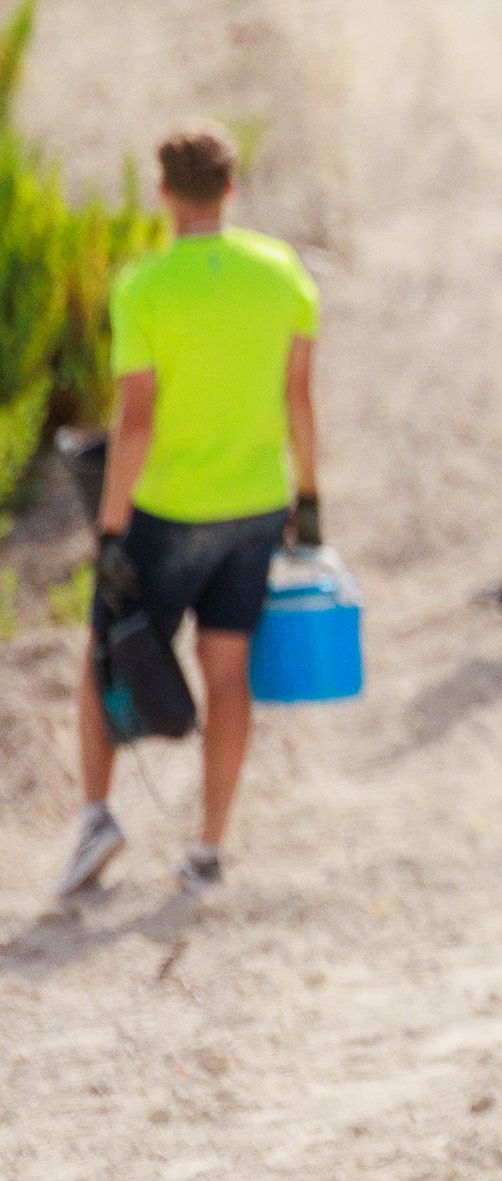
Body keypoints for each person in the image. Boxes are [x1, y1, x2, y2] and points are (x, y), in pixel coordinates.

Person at [58, 125, 322, 900]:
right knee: (227, 669)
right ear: (231, 190)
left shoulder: (143, 285)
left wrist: (109, 528)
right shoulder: (284, 275)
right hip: (256, 504)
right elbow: (298, 398)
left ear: (165, 194)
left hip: (169, 510)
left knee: (106, 652)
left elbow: (135, 419)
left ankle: (99, 814)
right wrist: (310, 497)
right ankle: (207, 848)